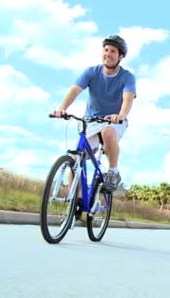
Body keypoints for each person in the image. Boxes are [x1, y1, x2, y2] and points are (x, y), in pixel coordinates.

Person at [52, 34, 136, 195]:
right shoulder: (92, 72)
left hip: (115, 121)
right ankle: (75, 202)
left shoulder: (127, 77)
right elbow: (75, 90)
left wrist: (121, 115)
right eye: (106, 50)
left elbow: (128, 98)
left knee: (108, 131)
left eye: (113, 51)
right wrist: (62, 108)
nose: (108, 54)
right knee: (76, 160)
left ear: (120, 57)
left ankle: (113, 172)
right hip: (91, 121)